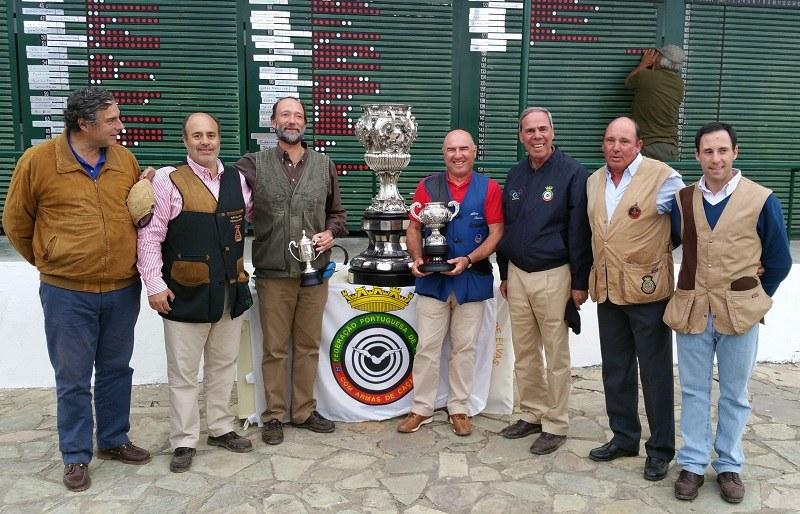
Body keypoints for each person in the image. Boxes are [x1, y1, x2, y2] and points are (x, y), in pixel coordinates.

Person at [2, 87, 151, 492]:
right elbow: (16, 222)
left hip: (122, 288)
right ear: (84, 124)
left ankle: (114, 440)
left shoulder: (124, 159)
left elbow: (138, 209)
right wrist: (49, 259)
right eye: (113, 121)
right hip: (66, 292)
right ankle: (75, 455)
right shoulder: (38, 161)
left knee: (117, 369)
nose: (121, 126)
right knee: (72, 377)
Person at [667, 122, 791, 503]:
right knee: (693, 389)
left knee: (735, 393)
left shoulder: (761, 199)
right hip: (692, 309)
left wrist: (753, 297)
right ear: (697, 156)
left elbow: (779, 259)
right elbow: (674, 242)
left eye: (722, 150)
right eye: (708, 151)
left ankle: (729, 465)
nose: (715, 158)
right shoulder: (683, 199)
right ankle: (692, 463)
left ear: (735, 152)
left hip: (740, 314)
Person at [136, 112, 255, 473]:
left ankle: (219, 428)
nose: (205, 142)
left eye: (211, 135)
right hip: (184, 292)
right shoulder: (167, 181)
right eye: (197, 136)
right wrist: (154, 285)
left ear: (220, 139)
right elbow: (150, 237)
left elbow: (251, 217)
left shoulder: (239, 179)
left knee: (223, 366)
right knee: (184, 373)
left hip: (229, 292)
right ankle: (184, 439)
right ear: (185, 141)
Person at [236, 97, 347, 445]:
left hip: (314, 272)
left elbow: (337, 215)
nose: (292, 121)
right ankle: (272, 416)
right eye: (285, 115)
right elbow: (215, 188)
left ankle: (303, 411)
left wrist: (330, 233)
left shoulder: (324, 164)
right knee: (274, 348)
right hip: (273, 272)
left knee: (309, 344)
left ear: (304, 124)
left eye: (298, 116)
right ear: (273, 123)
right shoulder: (252, 165)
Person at [586, 117, 684, 481]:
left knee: (656, 373)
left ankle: (660, 449)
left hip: (647, 292)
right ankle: (624, 436)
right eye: (610, 139)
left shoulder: (665, 177)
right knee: (616, 369)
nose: (615, 147)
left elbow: (683, 228)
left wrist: (652, 258)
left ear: (639, 144)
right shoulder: (594, 181)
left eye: (624, 141)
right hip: (608, 289)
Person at [496, 107, 591, 454]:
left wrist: (579, 282)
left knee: (556, 352)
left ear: (552, 131)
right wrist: (505, 273)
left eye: (542, 129)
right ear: (521, 136)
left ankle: (556, 422)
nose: (536, 136)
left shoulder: (572, 172)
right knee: (525, 352)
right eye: (529, 131)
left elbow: (580, 230)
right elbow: (506, 226)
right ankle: (532, 413)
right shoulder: (516, 174)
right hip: (518, 275)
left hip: (555, 274)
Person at [397, 129, 504, 437]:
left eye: (463, 149)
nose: (457, 155)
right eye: (451, 150)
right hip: (432, 282)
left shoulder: (490, 188)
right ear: (444, 154)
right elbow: (414, 228)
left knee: (465, 348)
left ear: (474, 152)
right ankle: (422, 408)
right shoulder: (427, 186)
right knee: (427, 347)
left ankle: (459, 408)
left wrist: (469, 259)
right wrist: (416, 259)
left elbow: (497, 232)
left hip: (473, 279)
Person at [625, 44, 685, 161]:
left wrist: (644, 64)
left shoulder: (646, 76)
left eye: (657, 55)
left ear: (661, 59)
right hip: (670, 147)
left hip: (648, 146)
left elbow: (628, 82)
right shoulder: (679, 84)